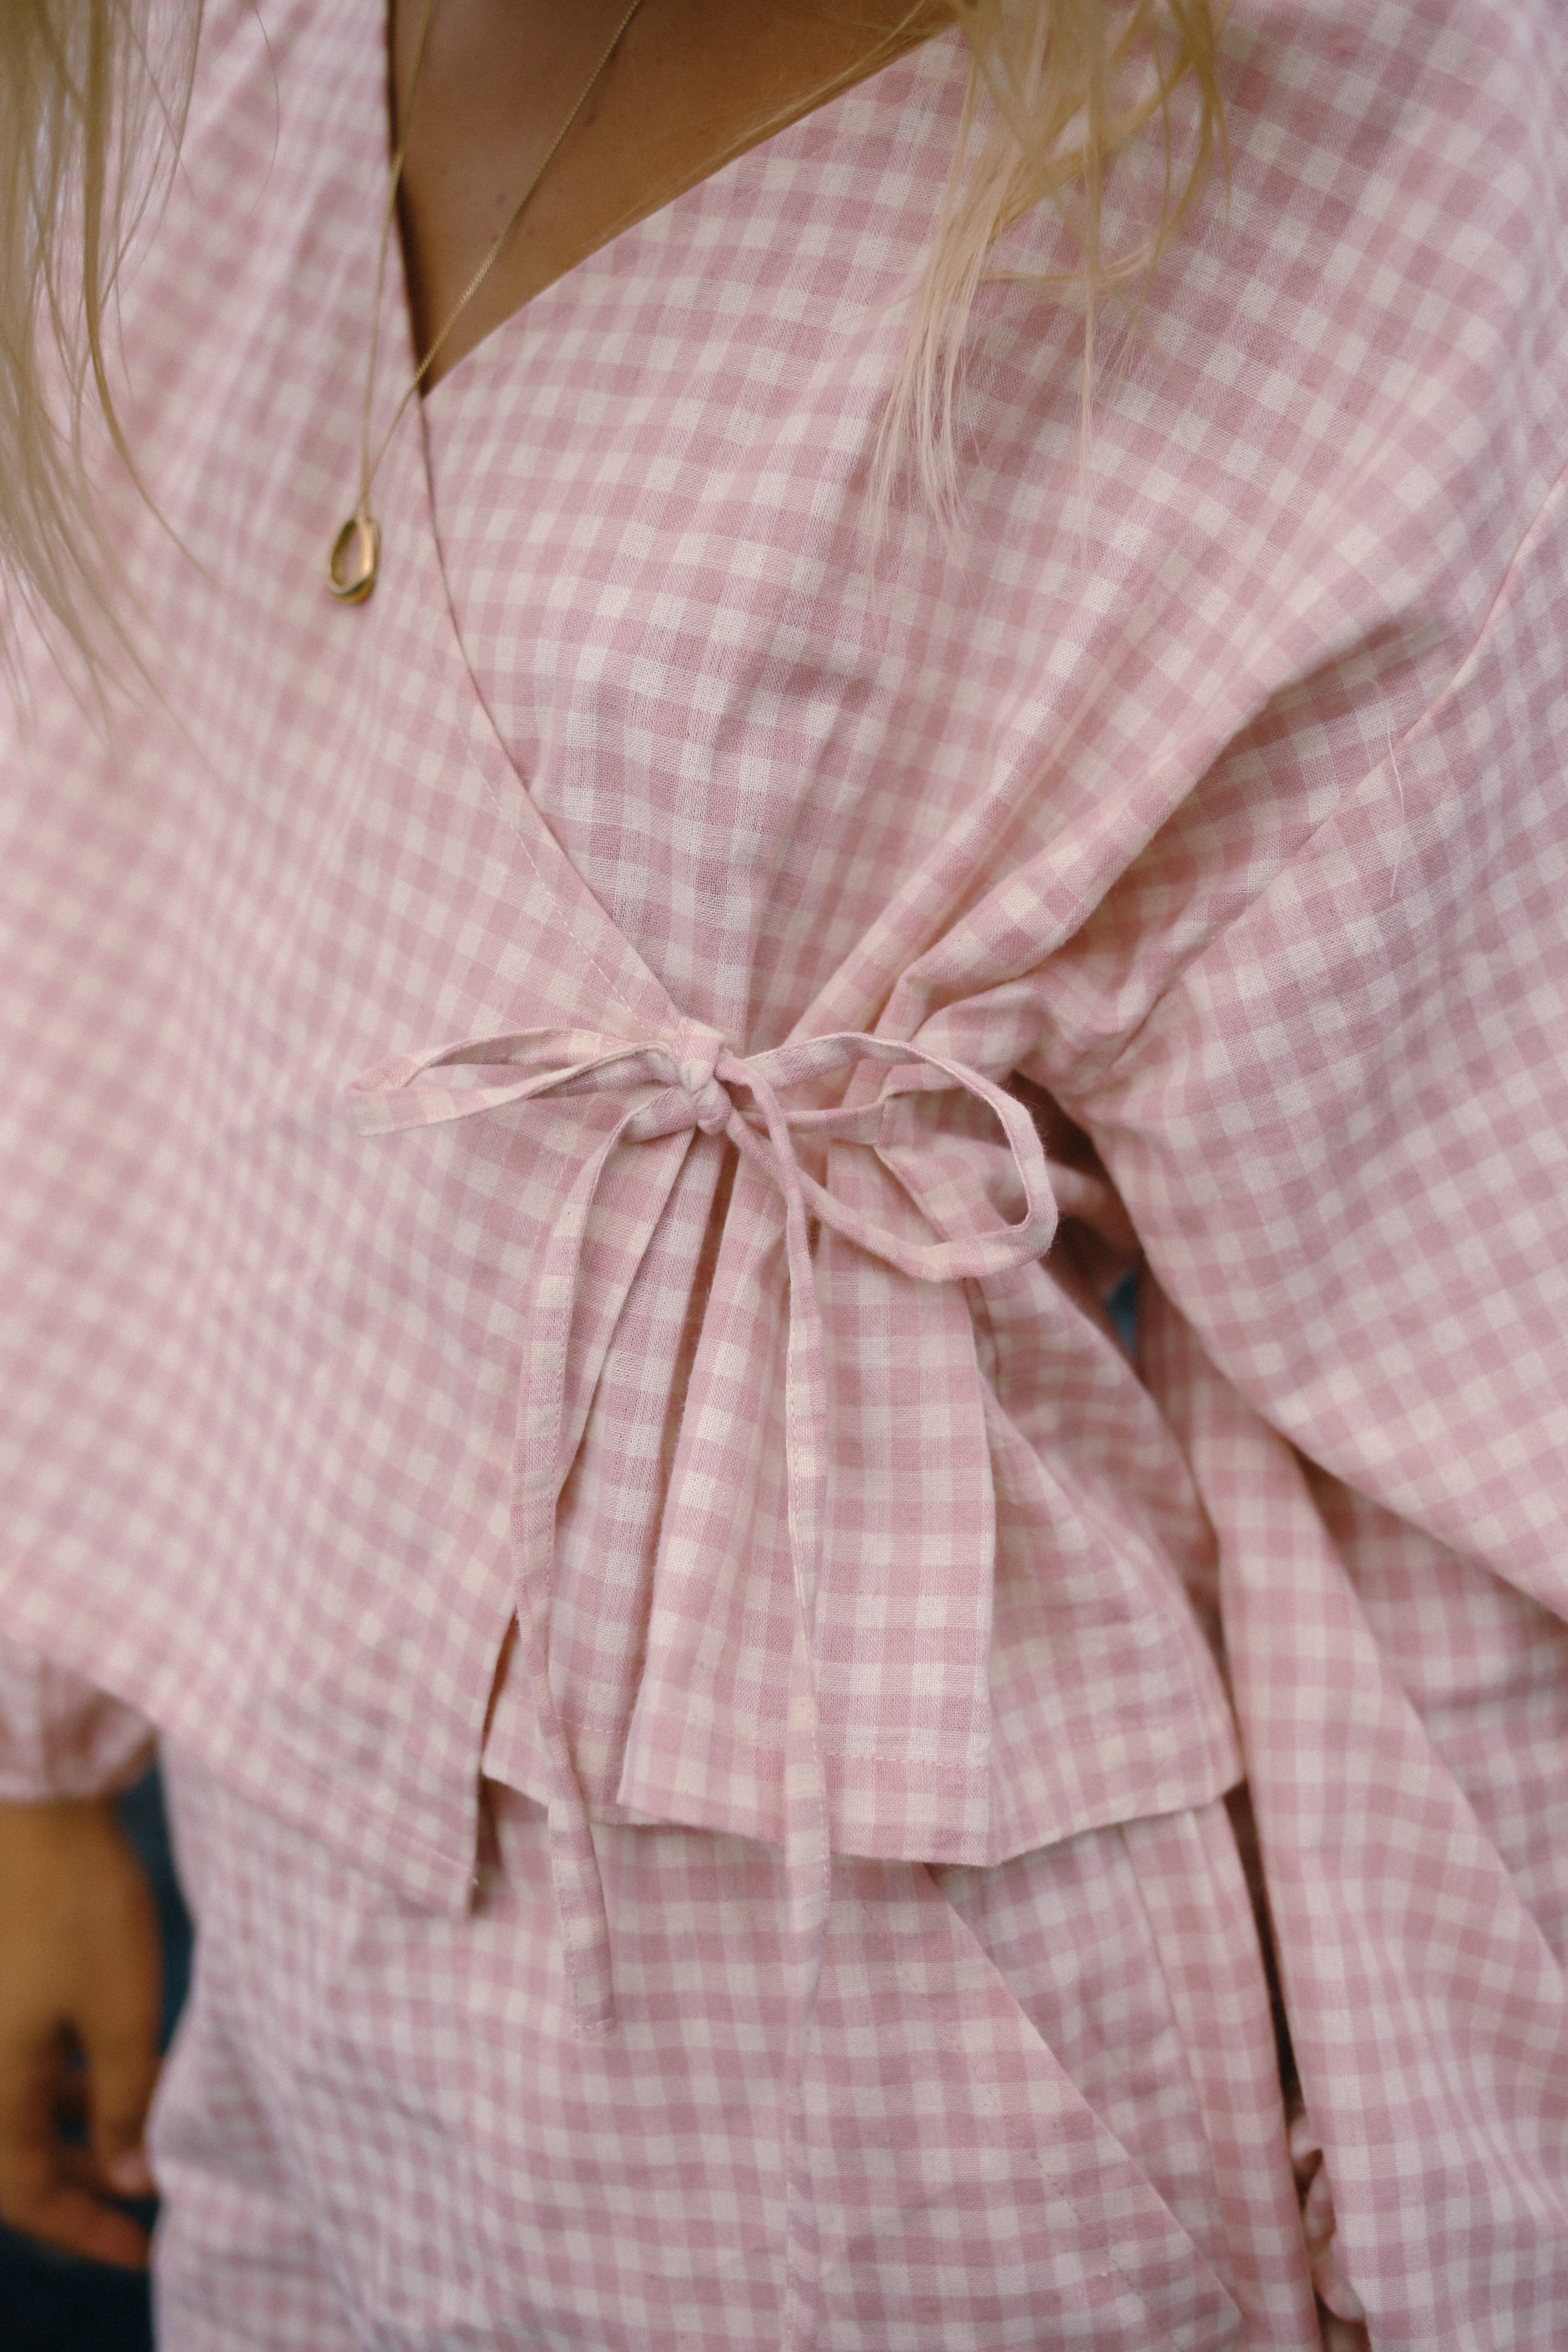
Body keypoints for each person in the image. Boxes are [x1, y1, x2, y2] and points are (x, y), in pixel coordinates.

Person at [0, 0, 1565, 2343]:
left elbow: (1460, 1372)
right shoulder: (209, 60)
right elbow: (110, 916)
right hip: (307, 1982)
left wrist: (1471, 2234)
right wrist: (38, 1745)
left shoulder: (1358, 111)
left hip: (905, 2074)